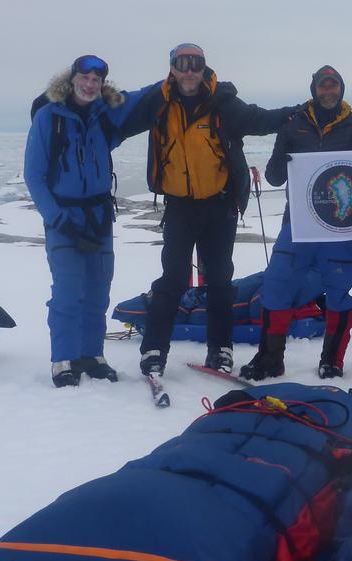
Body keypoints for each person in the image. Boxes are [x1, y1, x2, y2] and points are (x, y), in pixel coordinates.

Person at [121, 43, 298, 379]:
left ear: (203, 68)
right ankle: (154, 349)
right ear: (172, 68)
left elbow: (260, 119)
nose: (189, 71)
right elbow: (118, 120)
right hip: (178, 207)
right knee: (172, 280)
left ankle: (221, 348)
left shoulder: (223, 104)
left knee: (219, 281)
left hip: (219, 206)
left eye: (195, 64)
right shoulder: (158, 104)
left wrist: (298, 111)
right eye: (182, 64)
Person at [24, 55, 156, 387]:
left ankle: (92, 355)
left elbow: (143, 96)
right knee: (68, 290)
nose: (89, 85)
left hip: (99, 216)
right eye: (84, 78)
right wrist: (58, 220)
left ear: (102, 85)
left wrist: (174, 76)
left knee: (98, 288)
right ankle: (63, 359)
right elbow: (34, 177)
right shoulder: (48, 117)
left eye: (96, 81)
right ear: (72, 80)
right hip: (64, 217)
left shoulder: (104, 114)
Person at [240, 65, 352, 380]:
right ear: (314, 89)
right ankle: (270, 358)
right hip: (297, 223)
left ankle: (332, 360)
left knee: (338, 292)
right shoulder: (293, 125)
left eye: (334, 86)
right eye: (323, 86)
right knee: (276, 286)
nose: (329, 91)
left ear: (341, 89)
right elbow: (273, 177)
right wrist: (286, 161)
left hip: (340, 227)